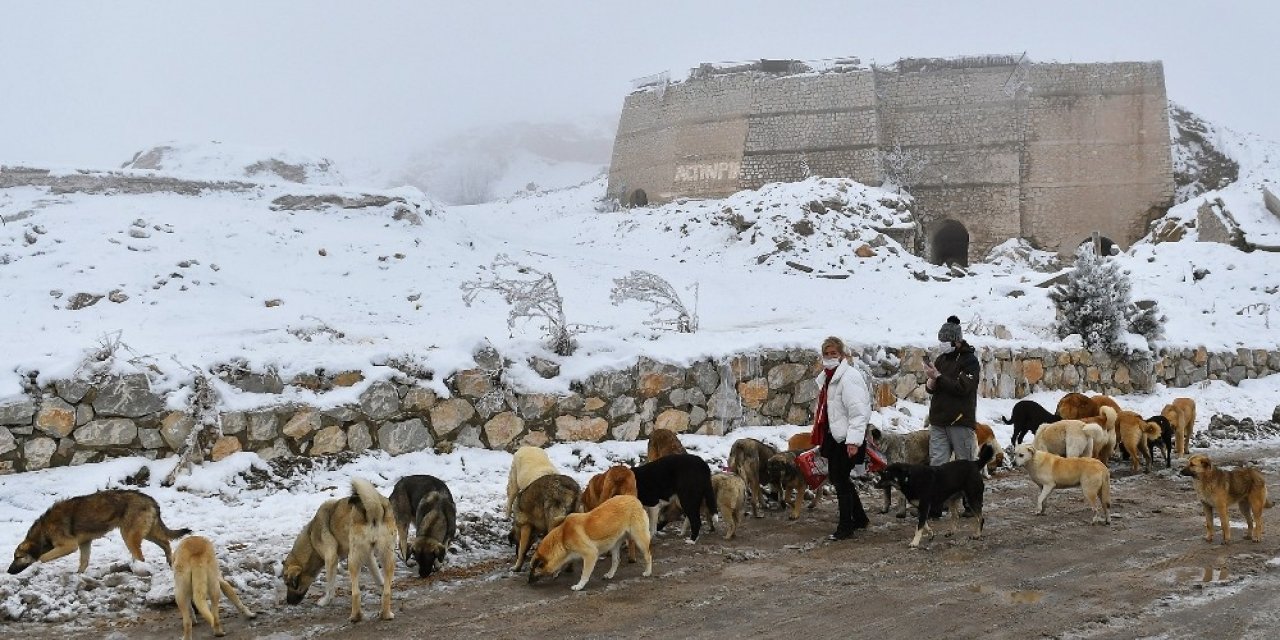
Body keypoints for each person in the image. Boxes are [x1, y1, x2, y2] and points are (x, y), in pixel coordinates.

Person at [810, 336, 872, 541]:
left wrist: (854, 441)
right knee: (839, 478)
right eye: (826, 354)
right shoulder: (829, 378)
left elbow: (858, 411)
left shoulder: (848, 377)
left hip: (846, 437)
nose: (829, 358)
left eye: (833, 354)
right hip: (835, 435)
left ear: (842, 355)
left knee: (840, 480)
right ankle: (859, 518)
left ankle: (846, 526)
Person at [924, 315, 981, 515]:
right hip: (939, 419)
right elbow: (933, 388)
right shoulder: (941, 359)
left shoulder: (970, 361)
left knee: (965, 464)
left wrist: (939, 377)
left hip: (960, 420)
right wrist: (931, 380)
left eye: (945, 341)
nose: (942, 345)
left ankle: (971, 505)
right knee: (937, 464)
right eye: (940, 341)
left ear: (957, 340)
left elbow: (962, 388)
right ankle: (936, 505)